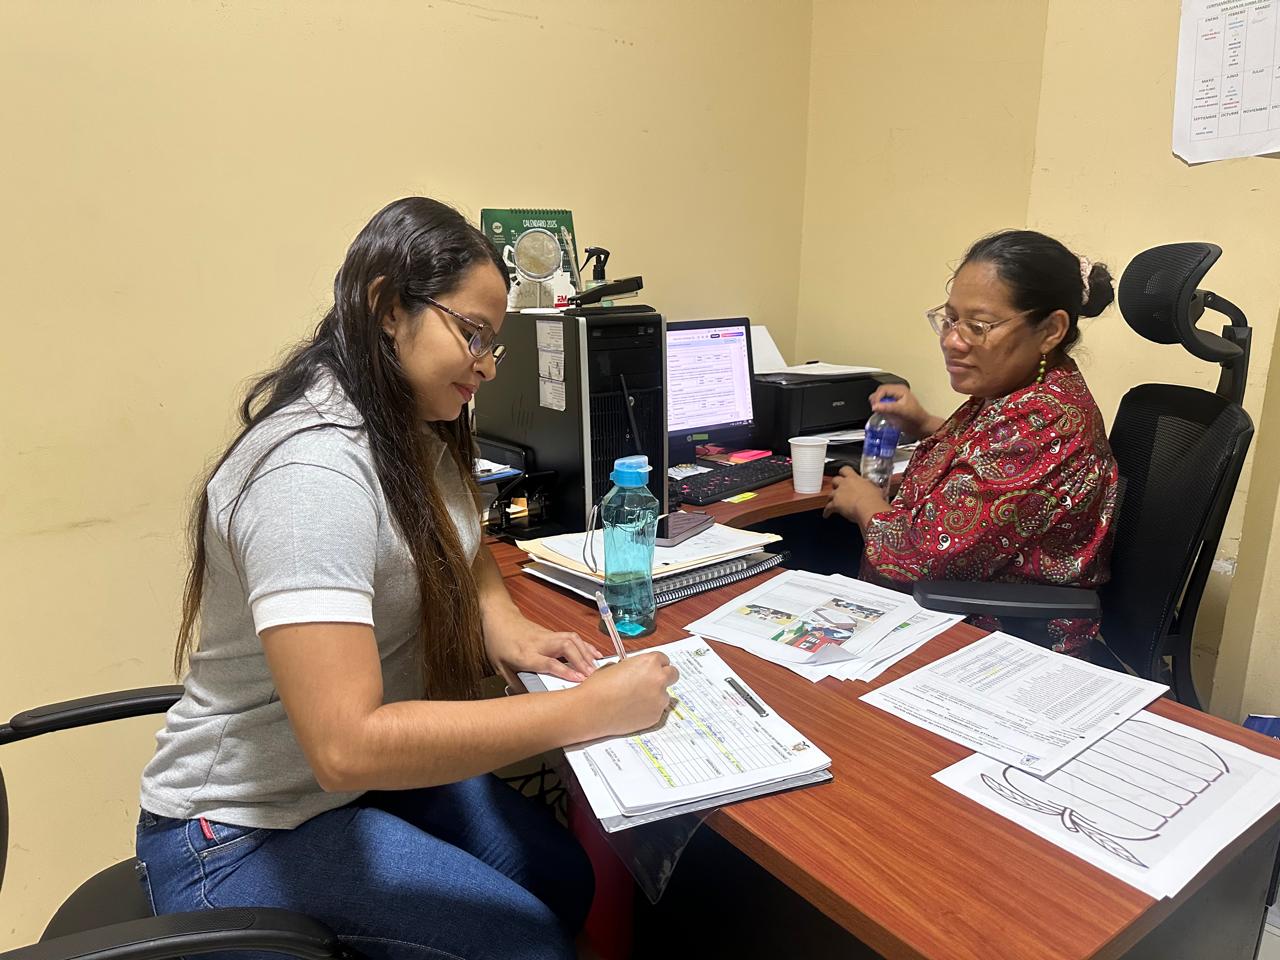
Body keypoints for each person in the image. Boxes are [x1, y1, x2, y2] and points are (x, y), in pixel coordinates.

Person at [135, 197, 679, 960]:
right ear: (389, 308)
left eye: (494, 343)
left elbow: (463, 546)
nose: (487, 365)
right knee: (530, 944)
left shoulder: (411, 428)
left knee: (563, 876)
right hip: (239, 830)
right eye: (473, 334)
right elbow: (346, 745)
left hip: (346, 791)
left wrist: (512, 632)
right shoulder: (312, 474)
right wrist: (585, 712)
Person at [824, 230, 1120, 656]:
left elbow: (924, 558)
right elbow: (988, 456)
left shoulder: (1044, 420)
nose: (952, 340)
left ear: (1050, 330)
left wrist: (865, 504)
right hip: (947, 612)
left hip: (995, 639)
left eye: (978, 327)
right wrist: (924, 424)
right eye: (949, 320)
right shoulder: (1021, 391)